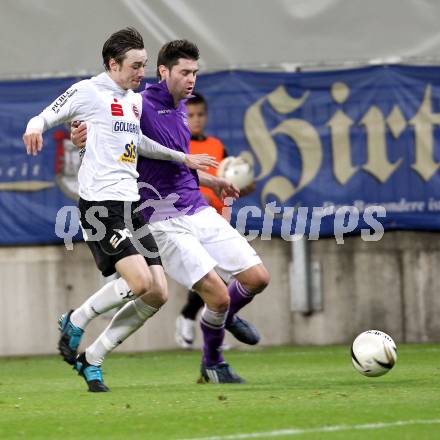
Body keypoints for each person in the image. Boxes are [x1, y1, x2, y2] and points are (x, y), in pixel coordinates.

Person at [23, 28, 216, 392]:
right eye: (135, 66)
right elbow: (44, 117)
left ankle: (92, 358)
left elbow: (139, 141)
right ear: (113, 64)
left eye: (143, 65)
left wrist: (183, 158)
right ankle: (76, 319)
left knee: (157, 293)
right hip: (100, 206)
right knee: (139, 282)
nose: (140, 73)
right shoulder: (88, 92)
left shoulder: (133, 100)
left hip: (132, 205)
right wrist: (34, 129)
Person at [72, 39, 270, 384]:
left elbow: (179, 165)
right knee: (214, 295)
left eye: (195, 72)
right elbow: (99, 117)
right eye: (184, 72)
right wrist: (81, 134)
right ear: (163, 72)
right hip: (161, 216)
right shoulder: (141, 104)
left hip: (196, 205)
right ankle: (214, 359)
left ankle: (222, 316)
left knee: (257, 278)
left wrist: (213, 182)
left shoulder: (182, 108)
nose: (191, 79)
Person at [175, 92, 257, 350]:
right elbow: (176, 180)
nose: (196, 120)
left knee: (220, 278)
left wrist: (241, 186)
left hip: (218, 219)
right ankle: (196, 321)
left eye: (200, 115)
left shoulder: (216, 146)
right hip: (188, 216)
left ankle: (198, 320)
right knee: (212, 277)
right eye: (190, 115)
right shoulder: (178, 145)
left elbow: (229, 179)